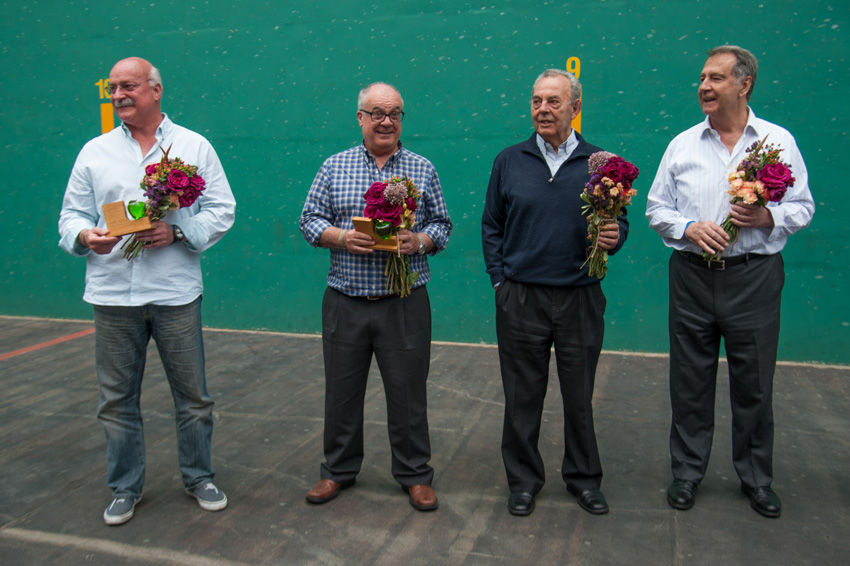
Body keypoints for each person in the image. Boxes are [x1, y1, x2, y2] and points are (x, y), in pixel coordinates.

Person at [58, 57, 236, 525]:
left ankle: (199, 477)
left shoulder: (193, 146)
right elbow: (71, 217)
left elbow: (222, 209)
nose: (118, 95)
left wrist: (177, 233)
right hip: (112, 293)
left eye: (129, 86)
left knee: (193, 396)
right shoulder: (93, 151)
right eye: (113, 88)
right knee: (117, 401)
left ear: (155, 90)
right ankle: (125, 487)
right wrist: (84, 237)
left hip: (175, 292)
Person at [646, 46, 814, 518]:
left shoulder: (778, 142)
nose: (704, 86)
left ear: (745, 85)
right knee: (689, 382)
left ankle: (757, 479)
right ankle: (686, 473)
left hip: (754, 279)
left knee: (755, 383)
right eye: (702, 77)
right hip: (693, 278)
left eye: (716, 78)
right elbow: (657, 208)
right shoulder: (682, 144)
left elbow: (803, 207)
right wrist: (686, 228)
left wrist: (767, 216)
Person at [299, 82, 452, 511]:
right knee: (341, 392)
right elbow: (309, 220)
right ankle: (337, 472)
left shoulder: (422, 168)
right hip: (345, 299)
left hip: (404, 302)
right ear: (361, 118)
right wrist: (341, 237)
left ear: (402, 119)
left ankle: (414, 475)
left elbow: (442, 224)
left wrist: (418, 241)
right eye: (377, 113)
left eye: (395, 113)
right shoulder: (334, 166)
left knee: (408, 394)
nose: (387, 121)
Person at [481, 69, 628, 516]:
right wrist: (501, 283)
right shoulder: (509, 160)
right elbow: (492, 226)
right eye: (536, 101)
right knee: (522, 396)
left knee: (579, 395)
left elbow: (619, 222)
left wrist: (615, 236)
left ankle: (583, 479)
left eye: (554, 101)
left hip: (580, 297)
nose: (543, 109)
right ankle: (523, 481)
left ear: (575, 108)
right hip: (520, 298)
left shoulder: (602, 163)